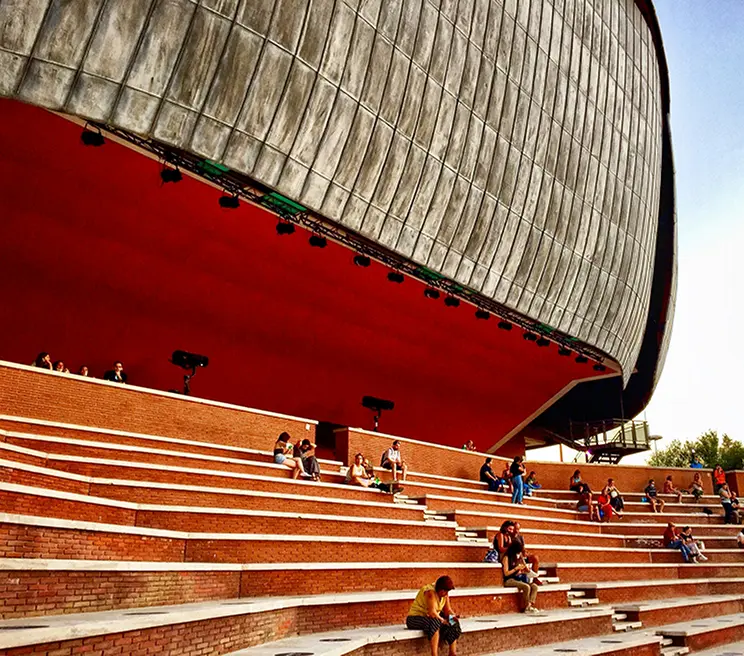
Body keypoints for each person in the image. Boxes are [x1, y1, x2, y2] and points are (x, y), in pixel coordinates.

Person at [405, 575, 461, 656]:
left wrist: (453, 616)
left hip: (431, 618)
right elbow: (432, 613)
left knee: (453, 621)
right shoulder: (430, 592)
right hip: (414, 619)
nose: (446, 594)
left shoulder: (445, 595)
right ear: (440, 589)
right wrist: (443, 621)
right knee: (435, 621)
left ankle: (452, 653)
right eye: (445, 591)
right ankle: (434, 654)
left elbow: (447, 610)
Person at [501, 541, 539, 613]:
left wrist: (522, 570)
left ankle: (529, 605)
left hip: (517, 578)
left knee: (534, 586)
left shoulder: (518, 557)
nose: (519, 554)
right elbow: (506, 573)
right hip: (509, 580)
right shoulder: (506, 558)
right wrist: (516, 568)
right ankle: (526, 607)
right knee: (526, 587)